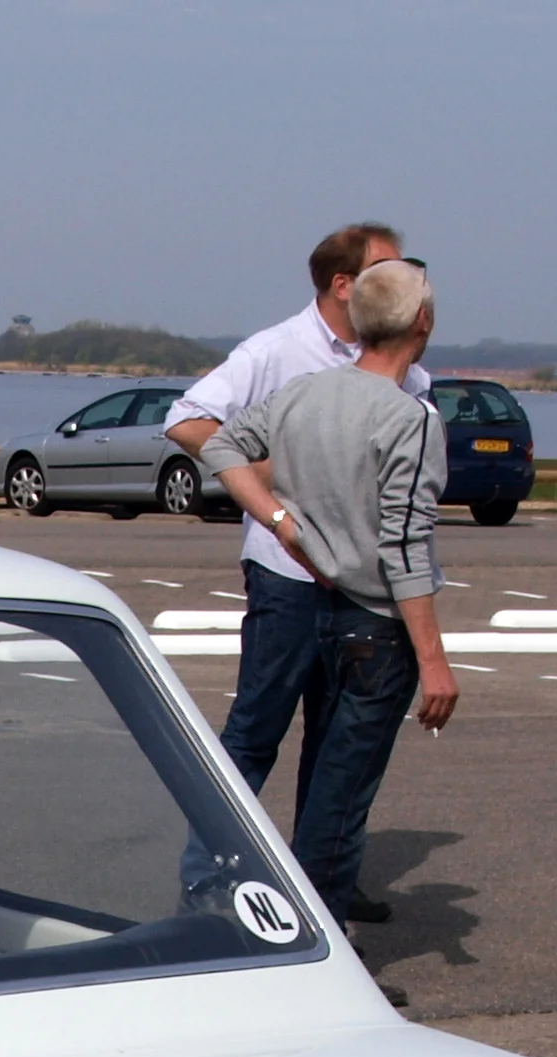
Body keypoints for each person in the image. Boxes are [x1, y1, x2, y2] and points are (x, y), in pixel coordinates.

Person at [196, 258, 458, 1009]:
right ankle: (318, 956)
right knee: (337, 793)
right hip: (373, 622)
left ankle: (213, 902)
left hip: (293, 589)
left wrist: (278, 520)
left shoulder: (304, 391)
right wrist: (435, 661)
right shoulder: (411, 419)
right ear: (422, 324)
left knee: (253, 741)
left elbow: (217, 446)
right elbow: (408, 547)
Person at [168, 223, 425, 923]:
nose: (406, 282)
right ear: (344, 284)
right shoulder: (278, 349)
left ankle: (319, 883)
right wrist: (278, 482)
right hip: (286, 575)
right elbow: (188, 421)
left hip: (360, 586)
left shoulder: (400, 362)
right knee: (256, 731)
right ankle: (209, 882)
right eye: (389, 269)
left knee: (338, 740)